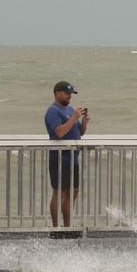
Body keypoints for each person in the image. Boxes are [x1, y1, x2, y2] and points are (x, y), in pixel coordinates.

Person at [44, 81, 89, 227]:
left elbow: (78, 133)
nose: (69, 96)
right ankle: (56, 227)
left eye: (71, 94)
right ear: (57, 93)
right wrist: (74, 118)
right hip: (59, 158)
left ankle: (67, 226)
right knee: (60, 192)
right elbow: (59, 133)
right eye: (67, 93)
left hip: (73, 158)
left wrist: (84, 122)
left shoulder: (69, 110)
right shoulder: (53, 111)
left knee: (73, 191)